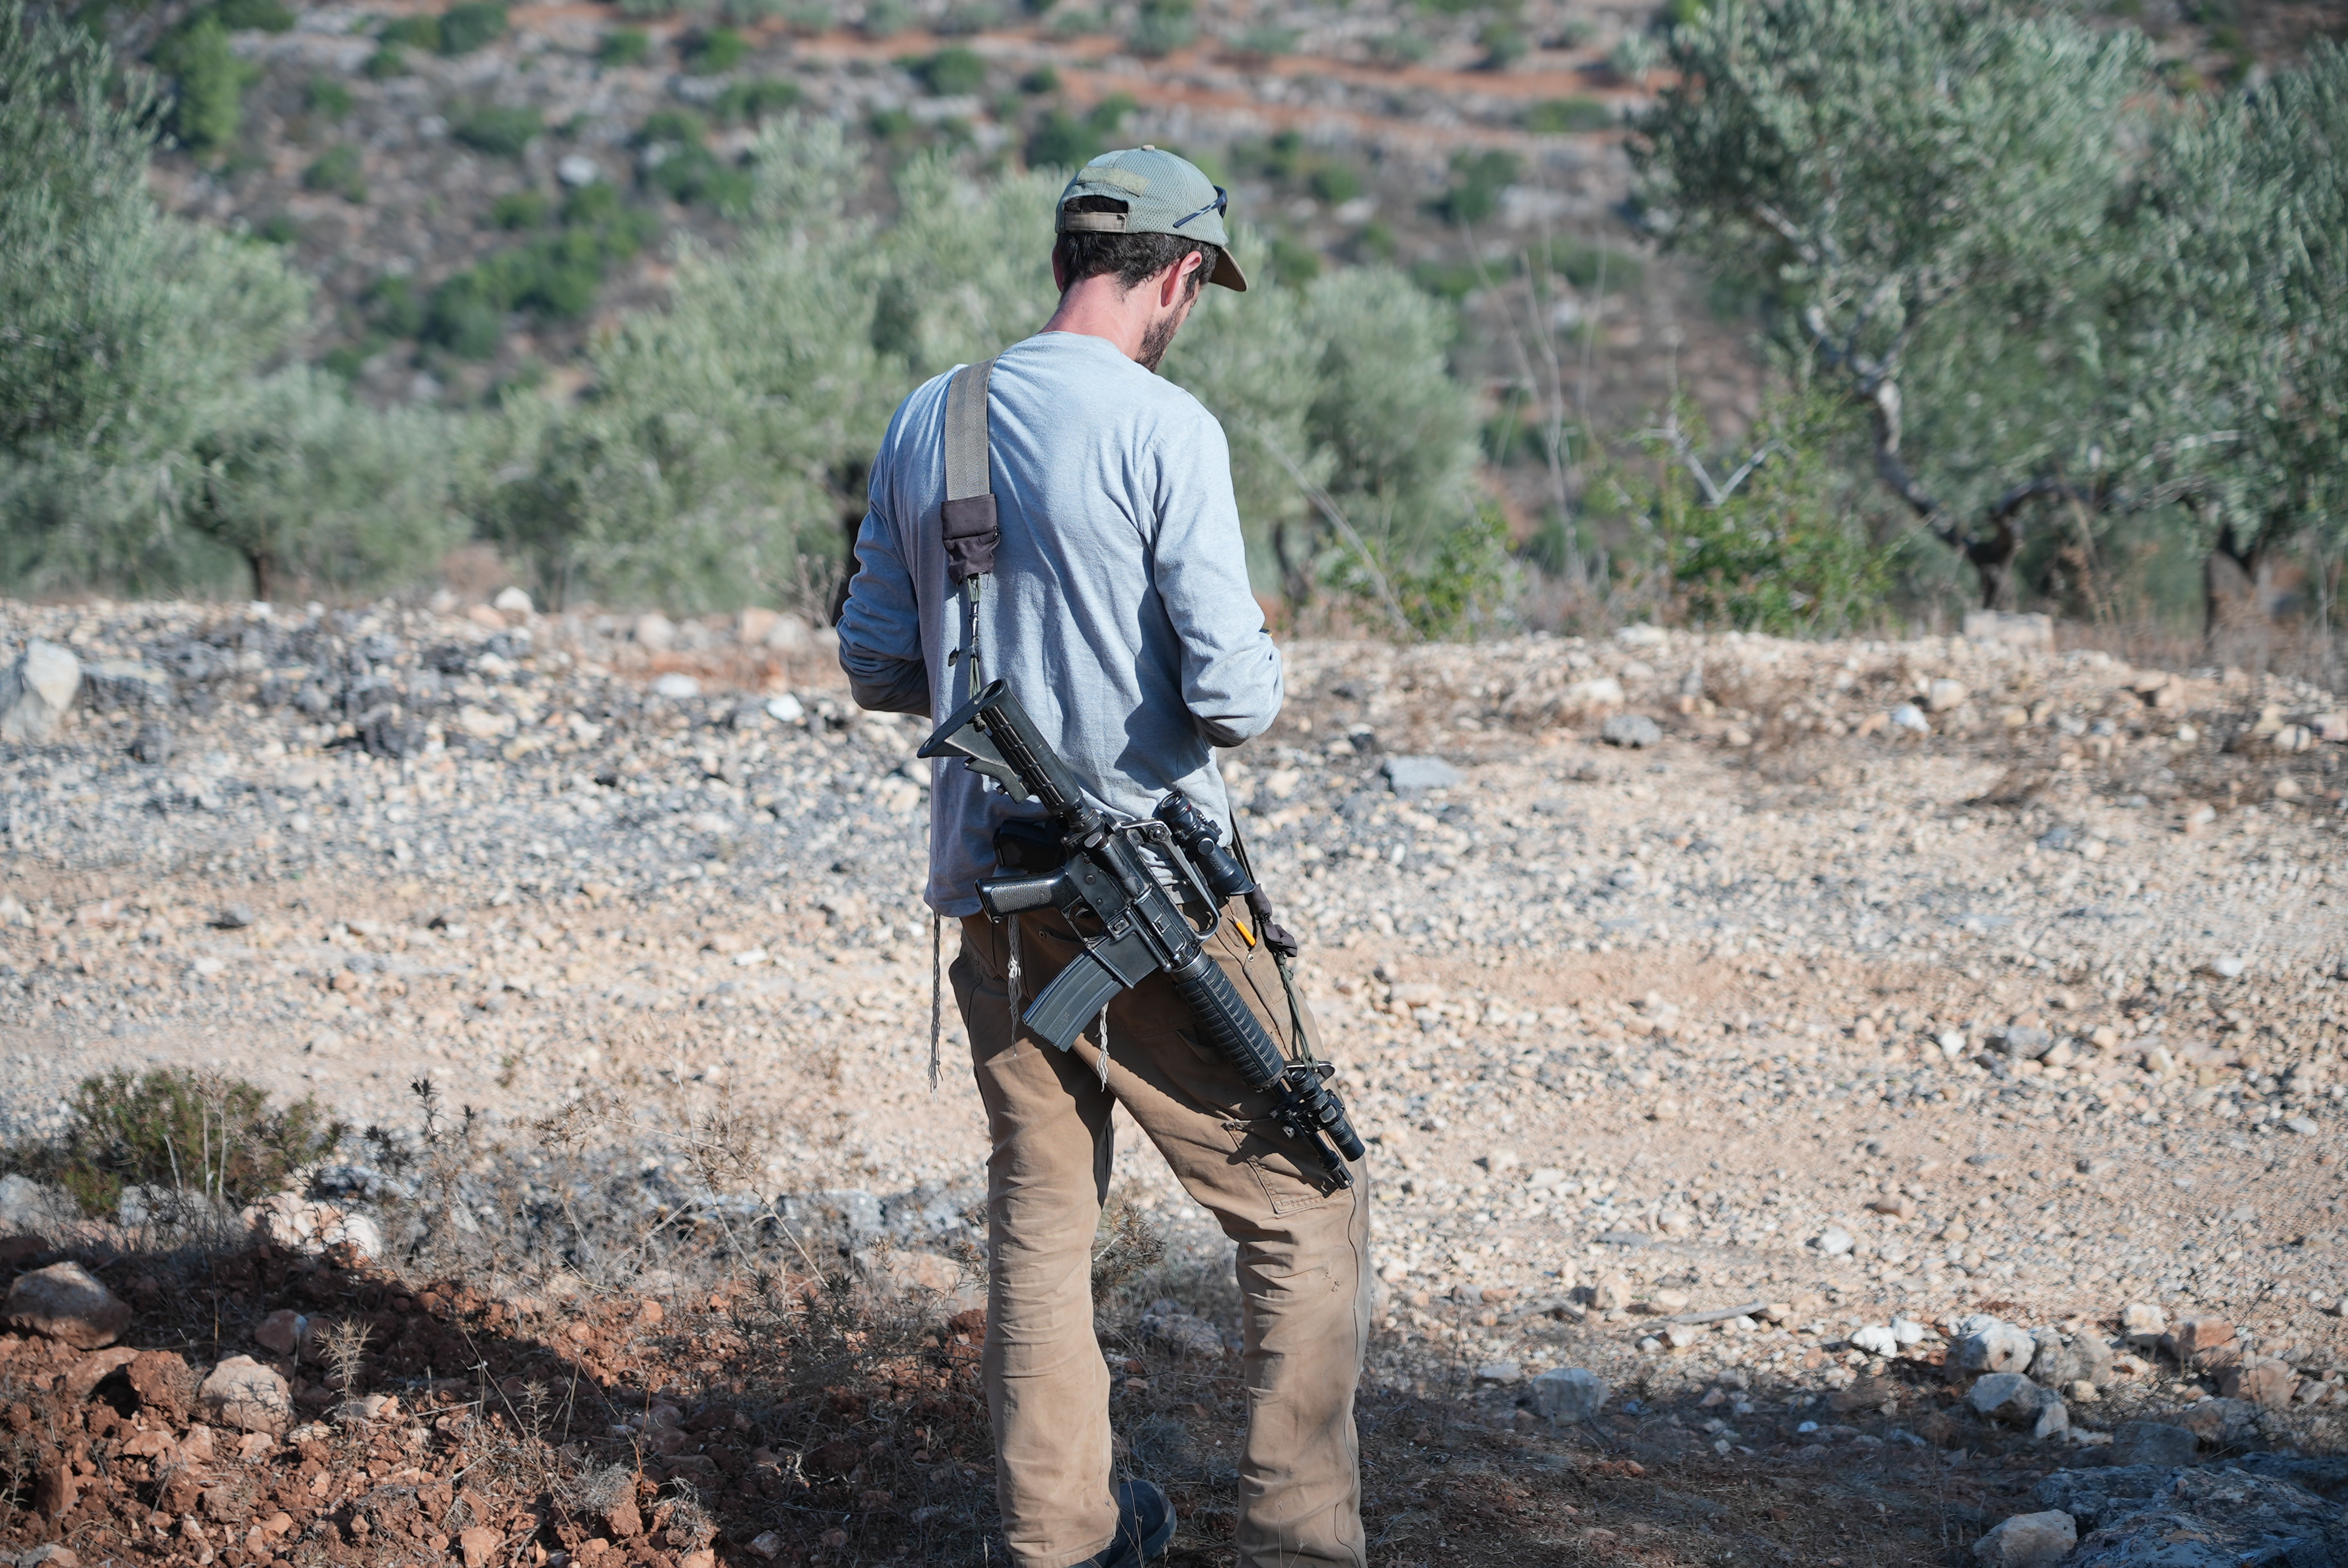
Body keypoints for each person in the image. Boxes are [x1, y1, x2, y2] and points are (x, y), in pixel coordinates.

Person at [835, 147, 1371, 1568]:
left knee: (1040, 1226)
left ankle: (1055, 1540)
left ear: (1070, 253)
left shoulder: (927, 418)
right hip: (1162, 910)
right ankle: (1298, 1542)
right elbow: (1234, 700)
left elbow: (880, 661)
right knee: (1307, 1202)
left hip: (992, 900)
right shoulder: (1164, 427)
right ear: (1177, 275)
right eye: (1200, 285)